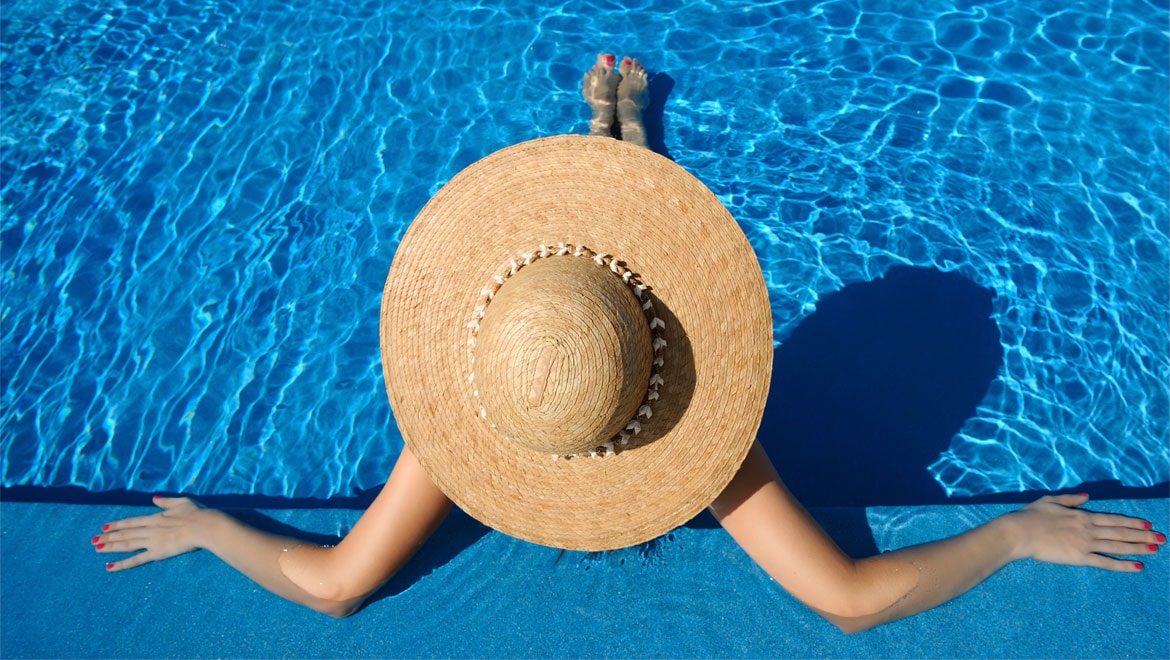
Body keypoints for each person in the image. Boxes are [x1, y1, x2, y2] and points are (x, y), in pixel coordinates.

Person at [92, 54, 1163, 633]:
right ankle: (632, 159)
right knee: (614, 286)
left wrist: (210, 531)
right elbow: (845, 601)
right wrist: (1014, 538)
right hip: (641, 385)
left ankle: (628, 152)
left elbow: (331, 587)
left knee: (583, 301)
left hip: (567, 370)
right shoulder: (706, 438)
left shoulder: (472, 410)